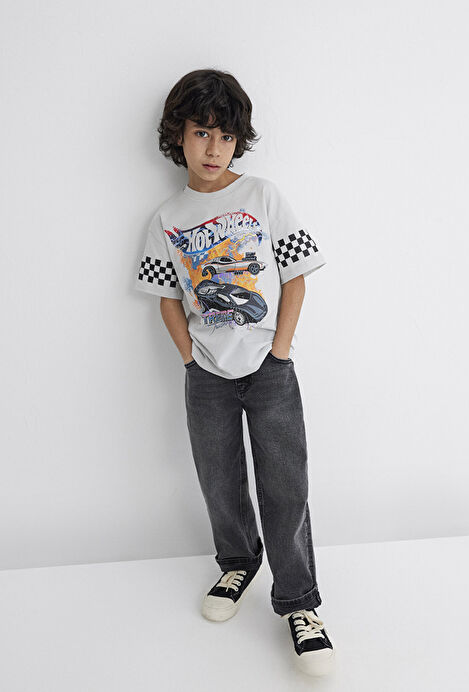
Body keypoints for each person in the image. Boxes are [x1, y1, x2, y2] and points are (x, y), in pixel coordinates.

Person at [134, 68, 335, 677]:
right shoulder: (167, 217)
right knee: (218, 479)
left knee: (285, 485)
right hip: (206, 376)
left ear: (238, 141)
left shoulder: (263, 197)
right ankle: (238, 563)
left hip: (269, 370)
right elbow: (168, 298)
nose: (214, 148)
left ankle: (299, 601)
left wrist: (280, 351)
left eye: (225, 136)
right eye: (201, 133)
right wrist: (189, 358)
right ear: (179, 137)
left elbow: (296, 277)